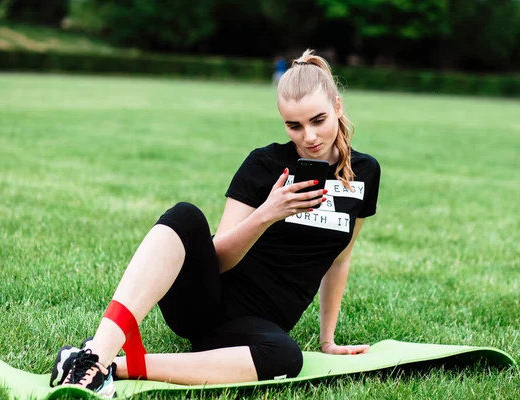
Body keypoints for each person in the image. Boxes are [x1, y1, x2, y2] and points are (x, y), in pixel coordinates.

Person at [50, 49, 381, 398]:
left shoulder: (365, 173)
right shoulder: (263, 164)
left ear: (338, 107)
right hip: (204, 301)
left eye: (318, 120)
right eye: (293, 125)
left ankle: (114, 366)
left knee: (286, 356)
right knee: (185, 214)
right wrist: (267, 213)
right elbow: (217, 256)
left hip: (256, 328)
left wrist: (327, 341)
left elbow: (340, 259)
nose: (308, 137)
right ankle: (95, 355)